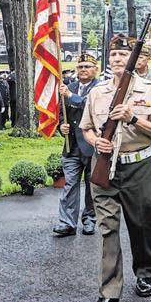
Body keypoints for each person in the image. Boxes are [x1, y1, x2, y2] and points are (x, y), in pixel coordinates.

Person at [80, 35, 151, 302]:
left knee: (141, 223)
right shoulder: (97, 92)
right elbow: (86, 127)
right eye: (113, 55)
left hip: (140, 166)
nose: (118, 59)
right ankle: (109, 293)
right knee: (107, 229)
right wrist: (96, 141)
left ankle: (145, 272)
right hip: (105, 166)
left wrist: (133, 117)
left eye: (123, 54)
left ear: (133, 58)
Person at [52, 53, 99, 237]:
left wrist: (71, 96)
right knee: (70, 184)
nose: (83, 70)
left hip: (92, 144)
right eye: (80, 67)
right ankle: (67, 223)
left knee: (91, 185)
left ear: (95, 69)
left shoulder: (100, 88)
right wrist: (61, 126)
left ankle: (89, 219)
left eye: (87, 66)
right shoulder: (69, 87)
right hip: (71, 145)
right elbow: (61, 113)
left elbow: (89, 105)